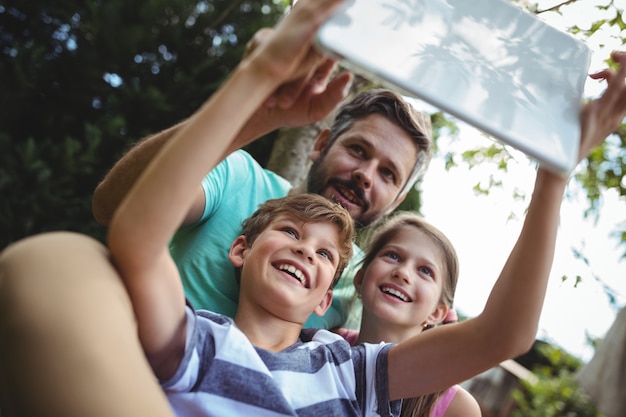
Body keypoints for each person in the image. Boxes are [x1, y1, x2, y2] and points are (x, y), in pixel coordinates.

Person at [2, 0, 626, 414]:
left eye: (388, 174)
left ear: (332, 297)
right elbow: (130, 220)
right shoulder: (203, 334)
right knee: (57, 260)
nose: (308, 248)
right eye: (358, 152)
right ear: (238, 250)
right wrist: (256, 88)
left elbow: (501, 335)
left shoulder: (345, 367)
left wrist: (554, 175)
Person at [91, 33, 433, 330]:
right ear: (320, 144)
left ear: (397, 200)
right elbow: (114, 206)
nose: (365, 175)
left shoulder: (363, 285)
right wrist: (254, 112)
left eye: (388, 174)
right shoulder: (235, 175)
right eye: (358, 150)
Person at [336, 212, 481, 417]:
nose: (403, 273)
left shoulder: (456, 408)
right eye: (393, 256)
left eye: (425, 271)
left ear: (437, 313)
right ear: (360, 278)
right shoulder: (321, 344)